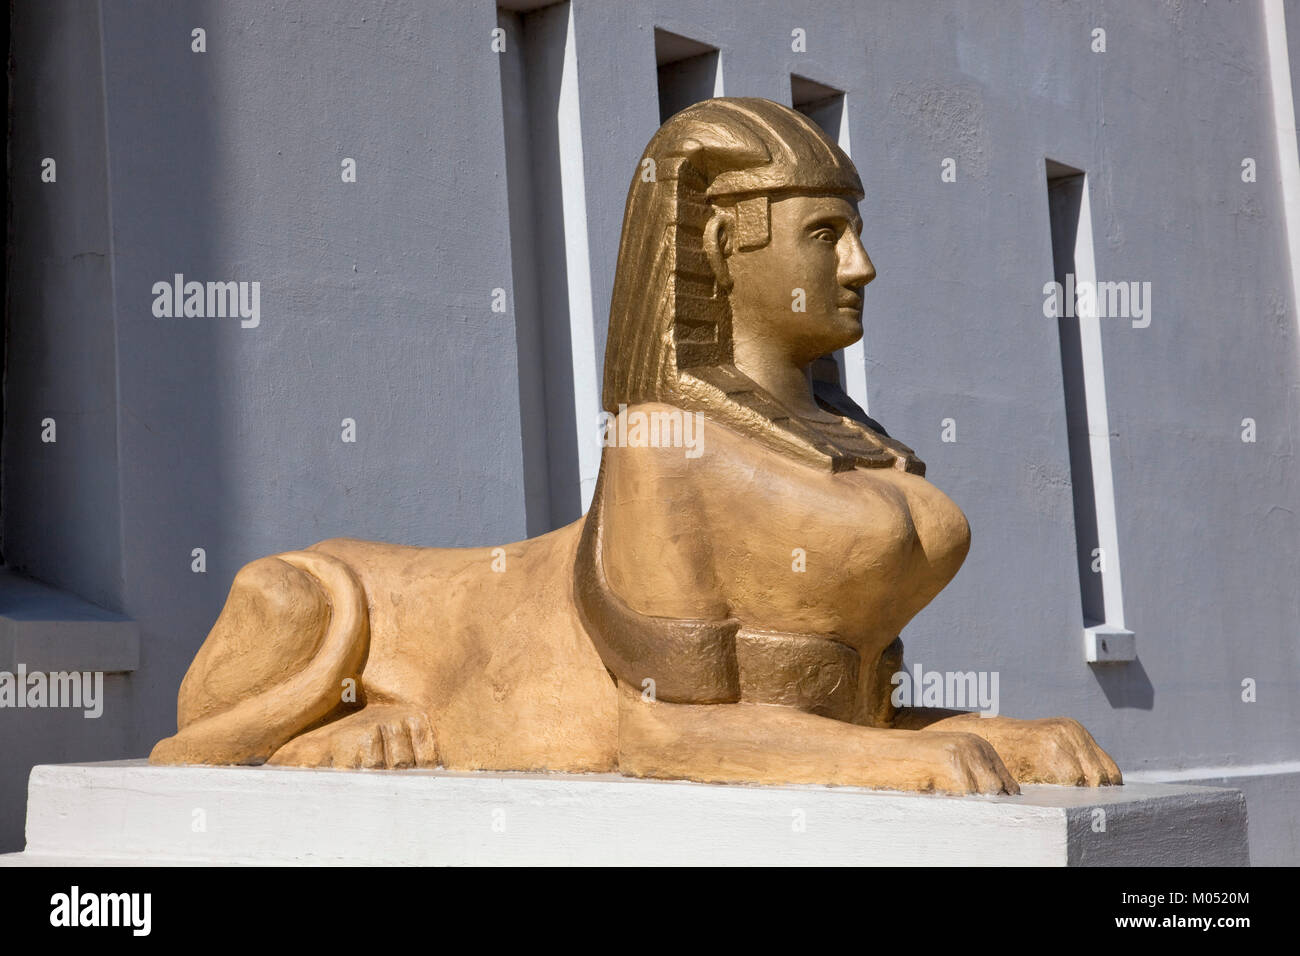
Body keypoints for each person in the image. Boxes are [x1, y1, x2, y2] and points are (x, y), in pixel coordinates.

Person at [152, 98, 1119, 793]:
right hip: (357, 608)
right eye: (824, 233)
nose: (861, 264)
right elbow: (667, 731)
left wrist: (986, 735)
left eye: (854, 232)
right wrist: (894, 761)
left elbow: (809, 717)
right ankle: (321, 722)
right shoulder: (662, 447)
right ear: (722, 248)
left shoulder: (856, 444)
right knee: (295, 597)